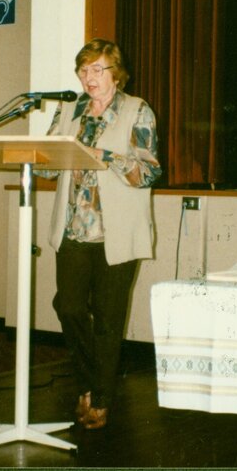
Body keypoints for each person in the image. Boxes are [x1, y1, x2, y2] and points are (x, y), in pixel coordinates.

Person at [40, 38, 161, 430]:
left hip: (116, 234)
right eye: (83, 70)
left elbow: (148, 172)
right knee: (68, 307)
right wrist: (39, 154)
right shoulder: (71, 108)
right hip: (74, 230)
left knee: (109, 322)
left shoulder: (136, 110)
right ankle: (95, 383)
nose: (88, 78)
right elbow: (45, 164)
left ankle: (99, 398)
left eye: (97, 70)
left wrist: (102, 157)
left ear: (116, 73)